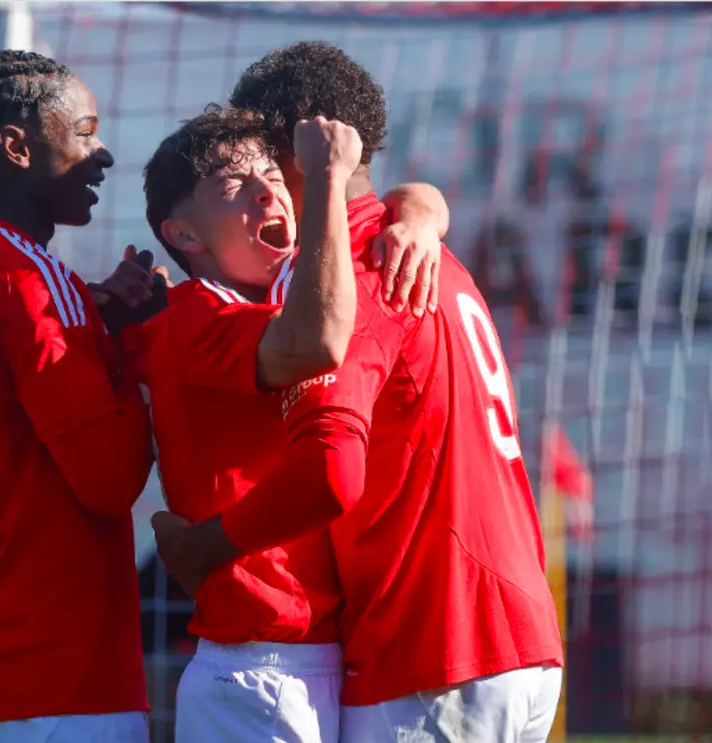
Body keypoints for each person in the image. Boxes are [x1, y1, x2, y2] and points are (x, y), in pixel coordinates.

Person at [153, 42, 564, 743]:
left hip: (435, 645)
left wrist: (205, 548)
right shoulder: (426, 249)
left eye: (259, 153)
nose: (259, 180)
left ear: (301, 150)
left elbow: (331, 470)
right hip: (516, 635)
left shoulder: (346, 277)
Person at [130, 105, 449, 743]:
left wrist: (420, 214)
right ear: (184, 235)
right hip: (255, 664)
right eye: (231, 184)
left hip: (320, 653)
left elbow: (401, 200)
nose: (266, 188)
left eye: (273, 171)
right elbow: (315, 339)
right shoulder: (190, 316)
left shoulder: (278, 291)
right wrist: (330, 174)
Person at [0, 50, 159, 743]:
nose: (101, 154)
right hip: (66, 674)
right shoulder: (31, 283)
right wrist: (134, 346)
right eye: (83, 131)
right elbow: (109, 479)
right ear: (15, 146)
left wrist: (97, 320)